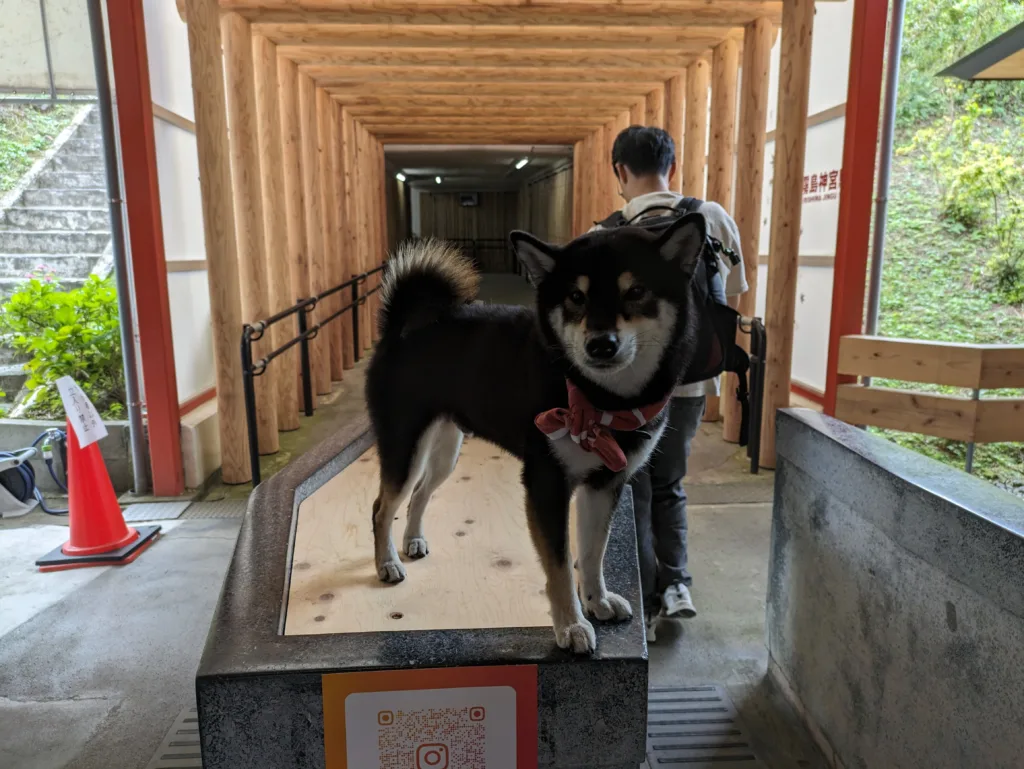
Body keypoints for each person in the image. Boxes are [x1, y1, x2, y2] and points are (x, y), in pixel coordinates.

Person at [591, 125, 748, 642]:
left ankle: (642, 595)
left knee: (631, 485)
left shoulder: (604, 235)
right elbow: (733, 298)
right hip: (690, 384)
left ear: (620, 171)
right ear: (672, 168)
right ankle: (677, 585)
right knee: (671, 483)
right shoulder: (712, 218)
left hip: (631, 391)